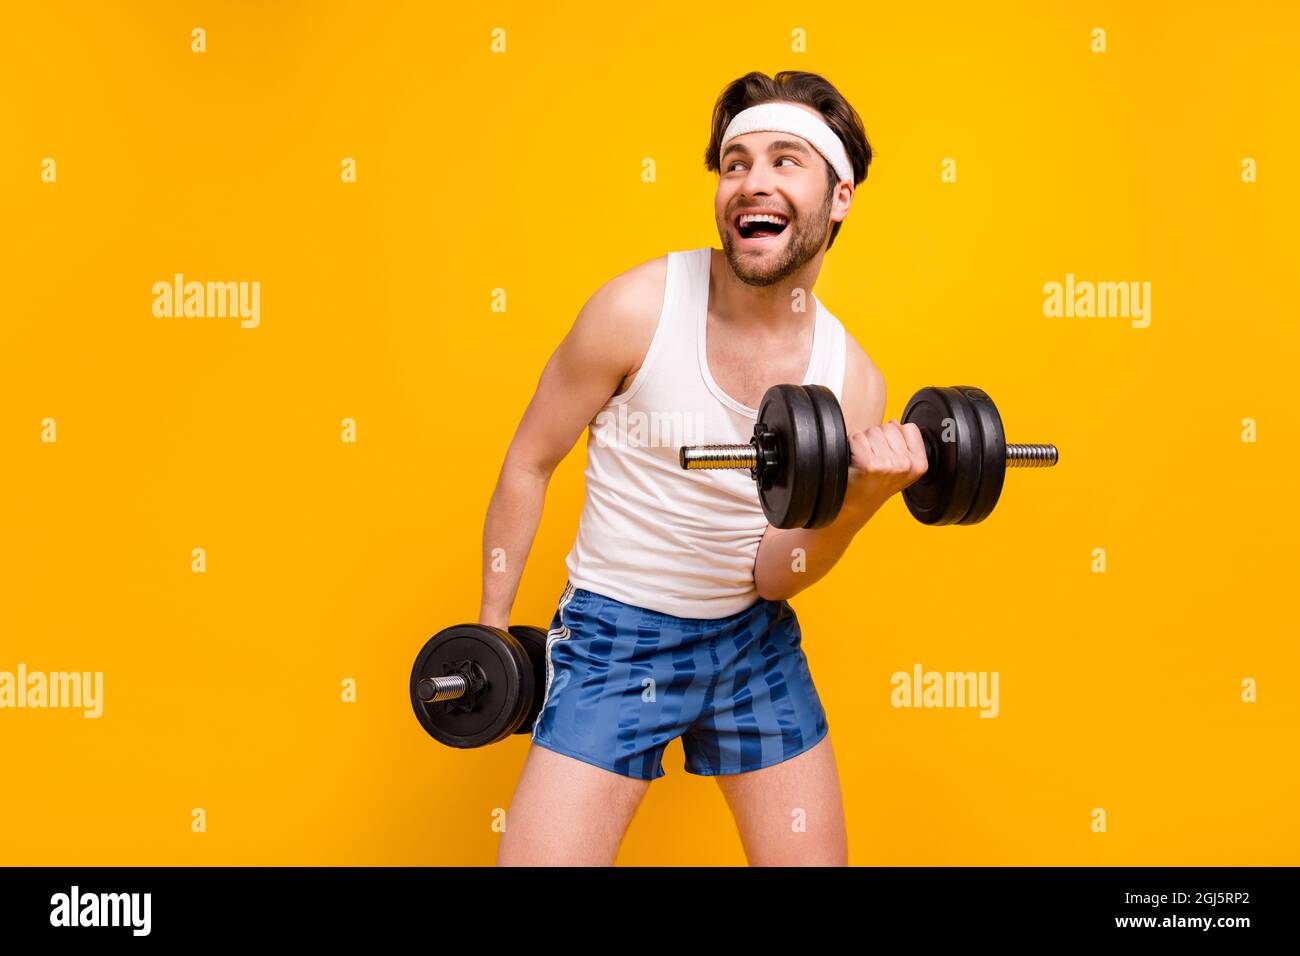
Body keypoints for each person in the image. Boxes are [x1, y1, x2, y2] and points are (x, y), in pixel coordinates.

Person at [482, 70, 928, 866]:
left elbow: (774, 574)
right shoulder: (637, 309)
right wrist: (490, 631)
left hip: (754, 644)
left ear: (839, 196)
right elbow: (529, 460)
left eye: (785, 160)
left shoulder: (851, 380)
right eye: (735, 163)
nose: (752, 181)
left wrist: (860, 502)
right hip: (614, 637)